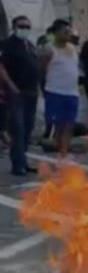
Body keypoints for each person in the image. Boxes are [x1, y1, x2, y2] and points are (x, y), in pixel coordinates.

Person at [0, 16, 40, 175]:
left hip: (31, 91)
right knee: (18, 128)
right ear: (14, 27)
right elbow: (1, 67)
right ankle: (18, 165)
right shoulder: (7, 45)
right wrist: (11, 86)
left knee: (28, 127)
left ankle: (23, 160)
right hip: (16, 92)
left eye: (27, 26)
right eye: (21, 26)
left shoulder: (29, 45)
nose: (25, 29)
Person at [40, 19, 80, 159]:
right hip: (55, 92)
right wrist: (43, 89)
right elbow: (42, 70)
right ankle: (58, 150)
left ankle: (64, 152)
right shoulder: (49, 49)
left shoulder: (73, 48)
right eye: (64, 31)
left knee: (69, 124)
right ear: (56, 32)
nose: (68, 34)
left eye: (69, 31)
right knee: (58, 125)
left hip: (72, 93)